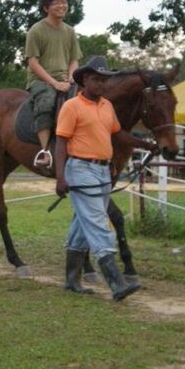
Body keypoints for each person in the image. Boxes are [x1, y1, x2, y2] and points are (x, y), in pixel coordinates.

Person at [54, 56, 160, 302]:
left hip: (103, 171)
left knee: (82, 227)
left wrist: (145, 144)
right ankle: (116, 283)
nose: (102, 83)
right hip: (81, 169)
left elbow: (118, 134)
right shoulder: (72, 106)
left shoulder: (106, 106)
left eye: (105, 79)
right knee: (99, 223)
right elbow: (61, 143)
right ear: (85, 80)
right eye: (97, 79)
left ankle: (71, 281)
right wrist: (60, 177)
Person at [25, 0, 82, 169]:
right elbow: (33, 63)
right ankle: (45, 151)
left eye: (64, 1)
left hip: (65, 79)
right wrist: (54, 83)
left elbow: (74, 60)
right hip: (41, 80)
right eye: (56, 2)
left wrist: (71, 76)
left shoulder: (70, 31)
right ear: (45, 8)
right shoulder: (36, 30)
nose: (61, 5)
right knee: (47, 101)